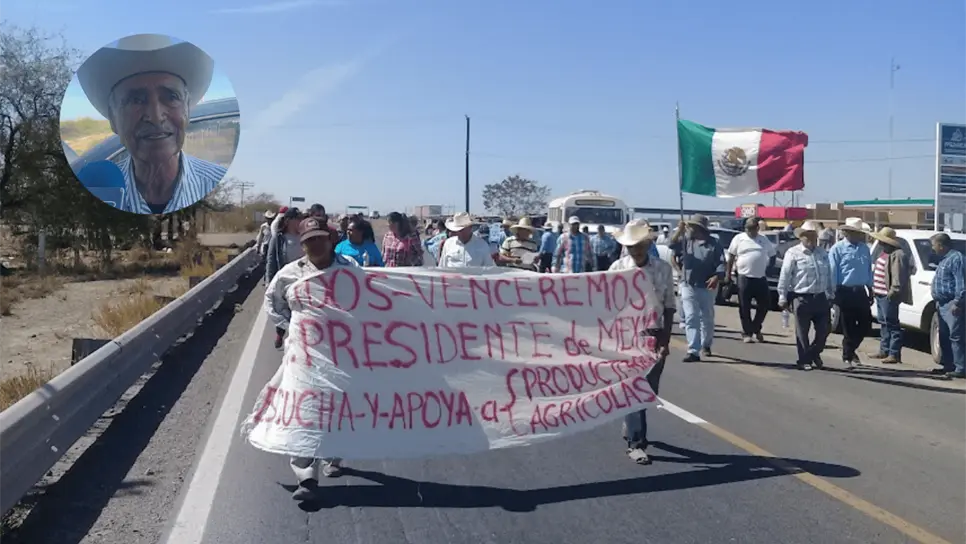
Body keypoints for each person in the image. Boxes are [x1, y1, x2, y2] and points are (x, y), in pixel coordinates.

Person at [75, 34, 226, 214]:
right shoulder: (98, 190)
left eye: (171, 97)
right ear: (113, 119)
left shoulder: (217, 184)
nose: (155, 117)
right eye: (136, 100)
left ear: (186, 110)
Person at [263, 217, 358, 501]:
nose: (315, 244)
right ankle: (306, 478)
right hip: (303, 354)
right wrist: (291, 325)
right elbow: (272, 301)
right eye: (308, 241)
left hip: (342, 353)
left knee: (337, 407)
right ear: (302, 244)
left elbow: (367, 297)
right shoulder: (290, 273)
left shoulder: (350, 269)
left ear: (330, 239)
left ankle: (335, 456)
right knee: (303, 409)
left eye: (319, 238)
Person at [608, 220, 675, 465]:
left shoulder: (663, 269)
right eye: (630, 245)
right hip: (627, 335)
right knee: (635, 389)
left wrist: (665, 340)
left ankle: (631, 421)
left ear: (648, 244)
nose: (635, 250)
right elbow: (608, 305)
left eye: (639, 245)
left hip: (653, 334)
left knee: (647, 391)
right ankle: (636, 443)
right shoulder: (617, 268)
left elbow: (669, 306)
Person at [777, 221, 834, 371]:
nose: (810, 238)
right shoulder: (793, 253)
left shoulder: (822, 252)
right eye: (807, 236)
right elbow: (785, 276)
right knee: (802, 332)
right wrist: (782, 296)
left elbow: (828, 274)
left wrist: (830, 293)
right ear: (801, 237)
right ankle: (804, 360)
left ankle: (813, 353)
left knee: (824, 330)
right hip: (802, 297)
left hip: (821, 297)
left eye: (813, 235)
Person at [670, 214, 724, 362]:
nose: (689, 229)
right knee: (691, 316)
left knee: (706, 317)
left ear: (699, 228)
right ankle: (693, 350)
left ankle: (706, 344)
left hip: (707, 285)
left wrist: (716, 276)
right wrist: (679, 231)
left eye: (691, 226)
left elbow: (721, 263)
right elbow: (671, 245)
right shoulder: (686, 241)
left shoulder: (713, 244)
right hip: (688, 284)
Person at [828, 217, 873, 369]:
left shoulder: (865, 248)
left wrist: (870, 288)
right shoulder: (837, 249)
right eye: (854, 232)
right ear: (846, 233)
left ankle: (850, 349)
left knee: (865, 324)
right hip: (844, 291)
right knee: (848, 325)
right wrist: (832, 291)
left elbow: (868, 269)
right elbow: (833, 271)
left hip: (860, 290)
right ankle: (848, 355)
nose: (858, 235)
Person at [726, 217, 776, 343]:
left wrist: (769, 269)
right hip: (744, 277)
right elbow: (731, 256)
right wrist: (728, 274)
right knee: (744, 306)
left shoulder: (763, 240)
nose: (750, 231)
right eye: (747, 229)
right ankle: (747, 332)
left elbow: (772, 255)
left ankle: (756, 327)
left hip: (760, 277)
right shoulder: (739, 238)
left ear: (757, 229)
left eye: (752, 229)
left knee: (765, 304)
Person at [869, 227, 910, 364]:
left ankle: (894, 353)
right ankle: (884, 350)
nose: (880, 243)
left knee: (892, 324)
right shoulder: (883, 253)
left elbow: (898, 276)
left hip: (888, 295)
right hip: (880, 293)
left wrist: (893, 291)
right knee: (883, 323)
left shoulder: (897, 255)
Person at [265, 208, 304, 348]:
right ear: (288, 221)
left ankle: (297, 338)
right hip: (285, 281)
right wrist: (269, 281)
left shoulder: (304, 236)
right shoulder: (279, 238)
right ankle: (280, 333)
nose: (300, 221)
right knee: (283, 309)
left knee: (299, 311)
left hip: (301, 280)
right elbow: (271, 260)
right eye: (297, 219)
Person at [930, 233, 966, 379]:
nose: (933, 249)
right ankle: (948, 365)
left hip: (952, 303)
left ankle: (961, 367)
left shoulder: (956, 259)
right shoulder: (944, 260)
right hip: (942, 304)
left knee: (956, 336)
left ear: (941, 245)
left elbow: (961, 283)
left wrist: (958, 302)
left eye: (934, 245)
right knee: (944, 336)